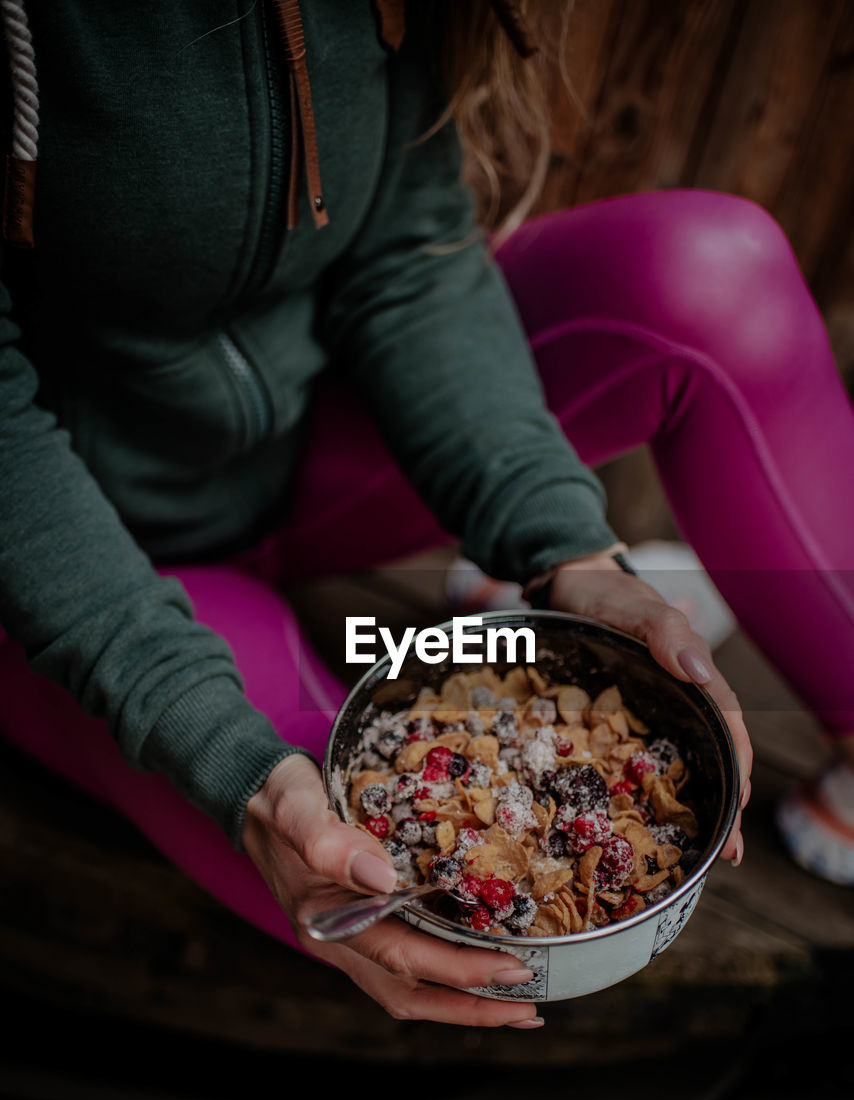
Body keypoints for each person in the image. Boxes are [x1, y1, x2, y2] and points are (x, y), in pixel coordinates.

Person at [0, 1, 849, 1029]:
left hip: (315, 445)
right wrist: (232, 763)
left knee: (715, 270)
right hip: (66, 573)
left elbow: (404, 249)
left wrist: (562, 544)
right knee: (374, 848)